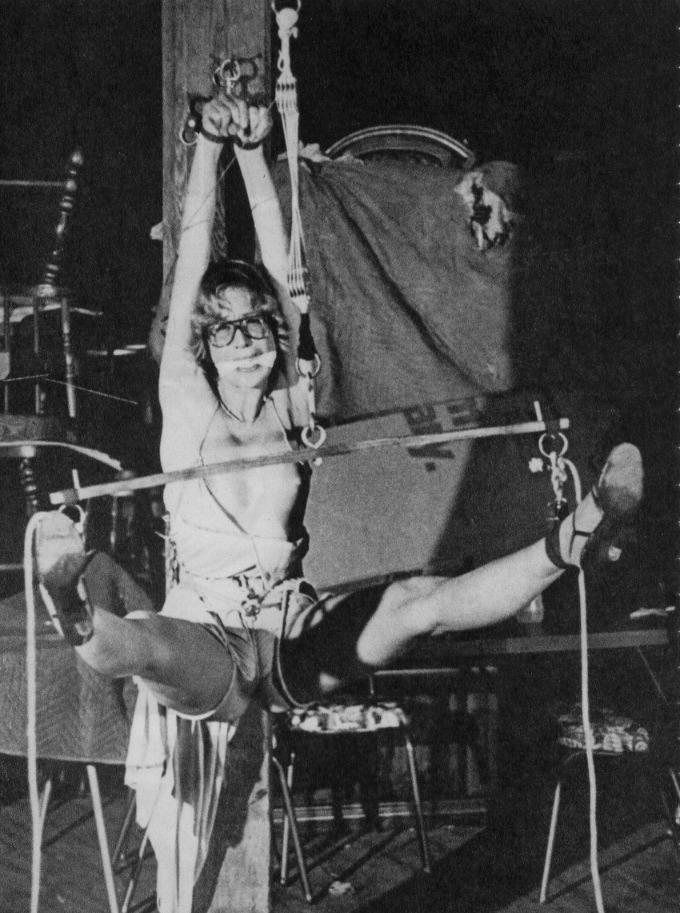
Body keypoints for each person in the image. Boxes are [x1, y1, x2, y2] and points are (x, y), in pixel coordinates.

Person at [33, 93, 644, 913]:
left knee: (416, 603)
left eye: (257, 327)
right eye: (226, 330)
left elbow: (287, 265)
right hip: (209, 630)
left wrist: (258, 152)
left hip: (288, 628)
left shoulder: (291, 402)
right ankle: (76, 610)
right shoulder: (185, 396)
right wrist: (209, 149)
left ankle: (573, 534)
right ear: (204, 343)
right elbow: (192, 258)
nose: (246, 340)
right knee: (148, 643)